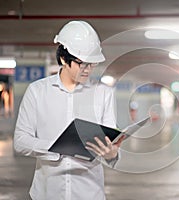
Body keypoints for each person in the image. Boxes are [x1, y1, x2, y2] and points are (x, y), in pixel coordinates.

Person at [14, 20, 124, 200]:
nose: (88, 69)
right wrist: (56, 148)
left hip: (89, 193)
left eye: (92, 64)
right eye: (82, 63)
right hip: (47, 193)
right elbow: (20, 141)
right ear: (64, 59)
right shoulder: (37, 91)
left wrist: (112, 154)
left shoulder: (104, 93)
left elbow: (108, 142)